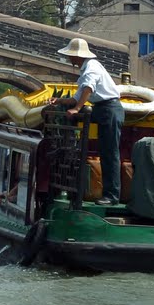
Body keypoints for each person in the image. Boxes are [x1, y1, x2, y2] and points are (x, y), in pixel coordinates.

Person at [50, 37, 124, 206]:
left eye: (70, 56)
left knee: (110, 153)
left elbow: (88, 89)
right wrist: (59, 101)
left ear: (76, 56)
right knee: (105, 151)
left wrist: (77, 109)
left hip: (109, 109)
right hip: (102, 108)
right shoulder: (85, 70)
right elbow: (77, 97)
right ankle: (109, 193)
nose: (69, 59)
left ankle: (112, 196)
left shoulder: (92, 67)